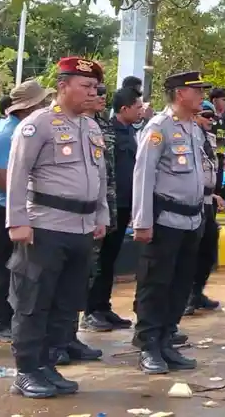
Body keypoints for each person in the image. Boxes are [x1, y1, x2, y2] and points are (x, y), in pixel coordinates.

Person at [5, 57, 109, 399]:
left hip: (81, 227)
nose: (92, 93)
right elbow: (17, 175)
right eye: (85, 86)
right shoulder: (38, 124)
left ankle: (48, 364)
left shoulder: (90, 127)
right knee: (34, 301)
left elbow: (99, 176)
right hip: (45, 226)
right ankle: (27, 370)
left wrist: (101, 215)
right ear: (63, 85)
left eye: (95, 87)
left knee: (67, 302)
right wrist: (17, 221)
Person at [131, 71, 211, 375]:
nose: (202, 94)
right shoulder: (158, 127)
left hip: (191, 219)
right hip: (164, 220)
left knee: (180, 284)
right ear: (180, 94)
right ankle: (149, 345)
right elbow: (144, 175)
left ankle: (166, 340)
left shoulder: (193, 128)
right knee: (156, 284)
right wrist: (142, 220)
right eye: (197, 90)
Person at [0, 80, 52, 343]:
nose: (45, 106)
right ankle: (0, 322)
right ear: (26, 108)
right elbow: (2, 179)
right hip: (2, 207)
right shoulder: (5, 134)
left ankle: (13, 317)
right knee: (4, 265)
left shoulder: (26, 129)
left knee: (21, 267)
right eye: (41, 103)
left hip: (20, 206)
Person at [83, 86, 142, 331]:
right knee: (94, 260)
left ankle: (102, 307)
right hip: (103, 203)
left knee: (109, 260)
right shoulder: (92, 127)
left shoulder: (113, 129)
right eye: (96, 94)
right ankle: (89, 311)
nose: (101, 99)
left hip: (123, 203)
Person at [185, 100, 225, 316]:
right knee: (193, 250)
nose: (210, 120)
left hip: (210, 199)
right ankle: (187, 295)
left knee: (209, 250)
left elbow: (220, 164)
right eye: (205, 116)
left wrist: (218, 192)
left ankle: (198, 290)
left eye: (212, 116)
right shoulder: (189, 137)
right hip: (194, 200)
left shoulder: (214, 137)